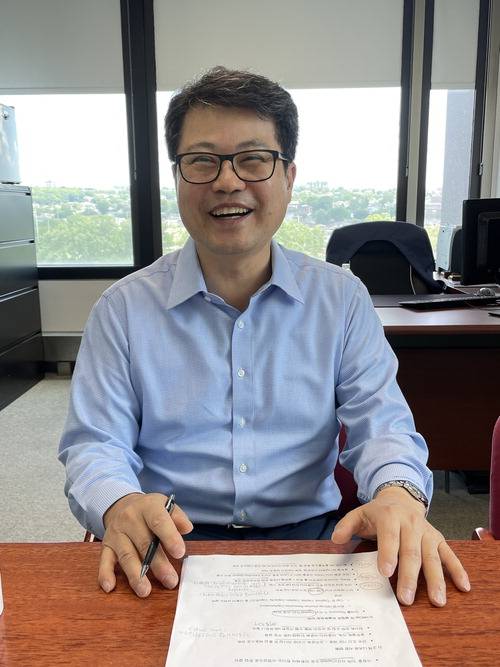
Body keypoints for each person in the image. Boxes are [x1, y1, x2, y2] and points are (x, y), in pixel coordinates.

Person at [59, 66, 470, 607]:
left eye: (253, 159)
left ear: (289, 177)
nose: (227, 182)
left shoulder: (341, 299)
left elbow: (383, 426)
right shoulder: (123, 309)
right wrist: (118, 503)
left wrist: (399, 492)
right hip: (167, 546)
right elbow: (95, 444)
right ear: (177, 178)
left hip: (315, 542)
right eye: (202, 160)